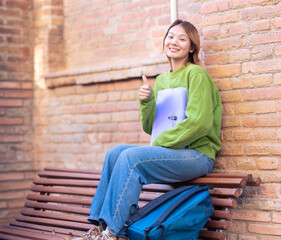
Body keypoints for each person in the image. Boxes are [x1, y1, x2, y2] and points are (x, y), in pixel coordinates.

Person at [74, 19, 222, 240]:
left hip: (197, 155)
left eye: (182, 39)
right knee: (115, 154)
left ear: (191, 48)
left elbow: (199, 123)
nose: (174, 42)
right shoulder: (162, 80)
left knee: (131, 159)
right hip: (174, 151)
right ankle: (99, 227)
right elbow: (151, 128)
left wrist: (161, 142)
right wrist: (147, 102)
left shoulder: (196, 74)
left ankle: (113, 233)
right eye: (170, 36)